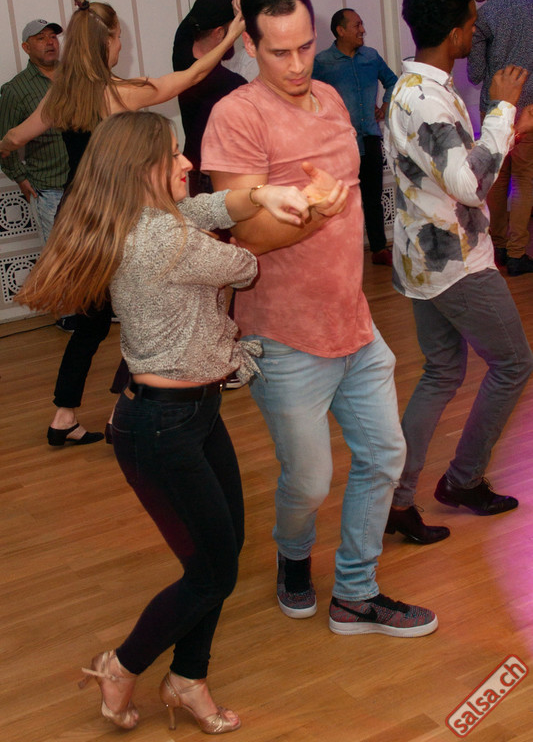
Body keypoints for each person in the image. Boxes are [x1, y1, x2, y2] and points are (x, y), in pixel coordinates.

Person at [15, 109, 335, 731]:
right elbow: (250, 262)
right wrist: (319, 207)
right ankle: (122, 665)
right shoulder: (166, 241)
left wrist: (261, 194)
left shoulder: (142, 218)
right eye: (174, 155)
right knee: (212, 572)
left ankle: (188, 679)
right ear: (142, 169)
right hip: (161, 429)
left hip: (190, 414)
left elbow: (212, 206)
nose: (188, 162)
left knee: (220, 557)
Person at [202, 0, 437, 637]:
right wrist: (312, 216)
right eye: (279, 51)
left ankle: (356, 592)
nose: (297, 63)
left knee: (383, 456)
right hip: (283, 335)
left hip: (352, 320)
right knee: (308, 480)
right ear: (250, 45)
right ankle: (293, 552)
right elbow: (246, 236)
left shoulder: (331, 97)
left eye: (304, 46)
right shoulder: (237, 116)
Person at [0, 0, 244, 446]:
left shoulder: (63, 94)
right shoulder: (118, 93)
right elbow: (192, 75)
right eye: (118, 39)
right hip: (116, 217)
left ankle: (65, 416)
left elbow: (14, 137)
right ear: (107, 42)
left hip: (80, 217)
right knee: (134, 313)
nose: (120, 47)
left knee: (93, 322)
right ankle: (121, 410)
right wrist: (234, 31)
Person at [383, 0, 533, 545]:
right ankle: (463, 480)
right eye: (472, 23)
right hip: (455, 262)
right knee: (514, 364)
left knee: (442, 372)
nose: (477, 30)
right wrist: (503, 110)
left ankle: (398, 499)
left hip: (424, 258)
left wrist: (506, 129)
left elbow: (450, 170)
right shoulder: (427, 100)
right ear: (453, 33)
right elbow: (470, 185)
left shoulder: (410, 86)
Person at [459, 0, 533, 276]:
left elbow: (475, 74)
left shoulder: (483, 17)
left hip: (496, 108)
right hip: (529, 106)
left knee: (498, 179)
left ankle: (500, 246)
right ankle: (518, 253)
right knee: (525, 180)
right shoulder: (530, 5)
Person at [313, 8, 397, 266]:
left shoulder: (371, 57)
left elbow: (393, 81)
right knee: (341, 201)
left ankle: (379, 249)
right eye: (357, 25)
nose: (363, 30)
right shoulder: (322, 62)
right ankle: (342, 254)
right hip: (339, 142)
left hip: (370, 136)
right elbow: (307, 94)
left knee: (373, 197)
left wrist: (384, 107)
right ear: (340, 30)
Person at [172, 0, 248, 196]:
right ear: (219, 32)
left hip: (196, 169)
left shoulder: (183, 44)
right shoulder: (230, 84)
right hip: (216, 176)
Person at [0, 18, 68, 241]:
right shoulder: (16, 90)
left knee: (97, 254)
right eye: (41, 38)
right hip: (49, 190)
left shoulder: (75, 77)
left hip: (88, 183)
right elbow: (4, 140)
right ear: (26, 47)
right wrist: (20, 177)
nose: (50, 42)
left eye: (53, 37)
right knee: (59, 256)